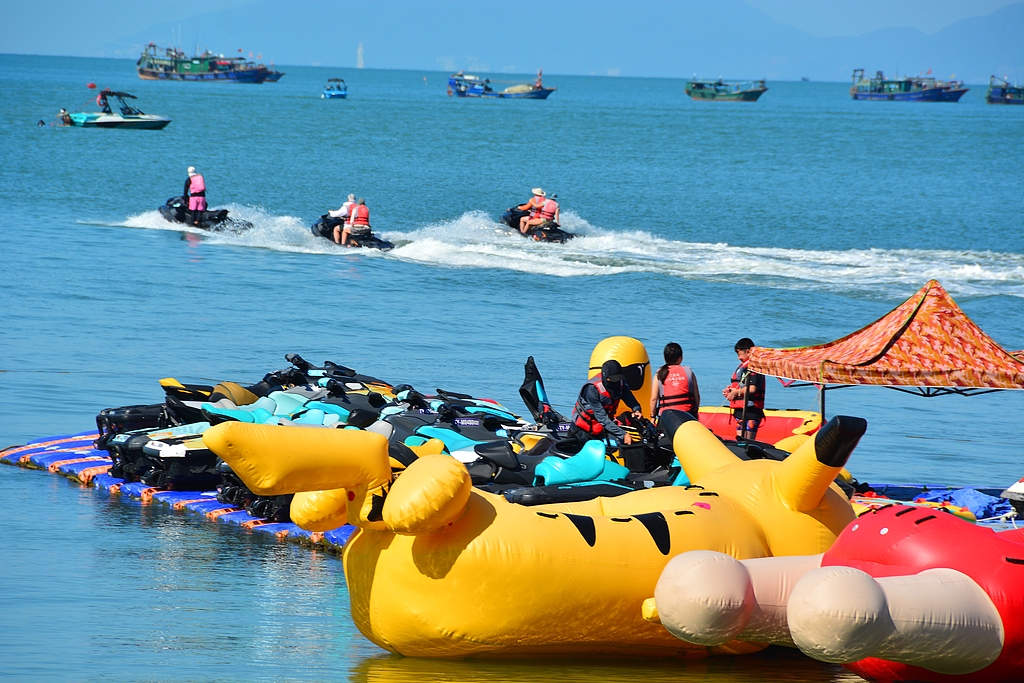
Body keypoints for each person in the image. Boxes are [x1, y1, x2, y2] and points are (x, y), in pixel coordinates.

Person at [569, 360, 644, 446]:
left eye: (617, 379)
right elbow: (602, 418)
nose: (615, 382)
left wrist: (636, 410)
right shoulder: (592, 389)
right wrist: (623, 434)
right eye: (613, 380)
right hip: (581, 432)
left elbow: (631, 400)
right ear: (606, 377)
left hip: (599, 431)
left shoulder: (621, 383)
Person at [722, 337, 765, 441]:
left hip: (751, 411)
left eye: (739, 354)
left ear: (748, 351)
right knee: (740, 441)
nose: (738, 358)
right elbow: (740, 385)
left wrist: (736, 392)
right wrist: (730, 391)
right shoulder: (743, 367)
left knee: (748, 442)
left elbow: (752, 388)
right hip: (740, 411)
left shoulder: (754, 367)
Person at [650, 342, 700, 421]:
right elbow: (696, 395)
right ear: (680, 358)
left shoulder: (659, 374)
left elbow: (654, 399)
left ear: (665, 358)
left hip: (667, 418)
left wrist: (652, 416)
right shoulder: (689, 372)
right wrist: (696, 412)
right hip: (688, 415)